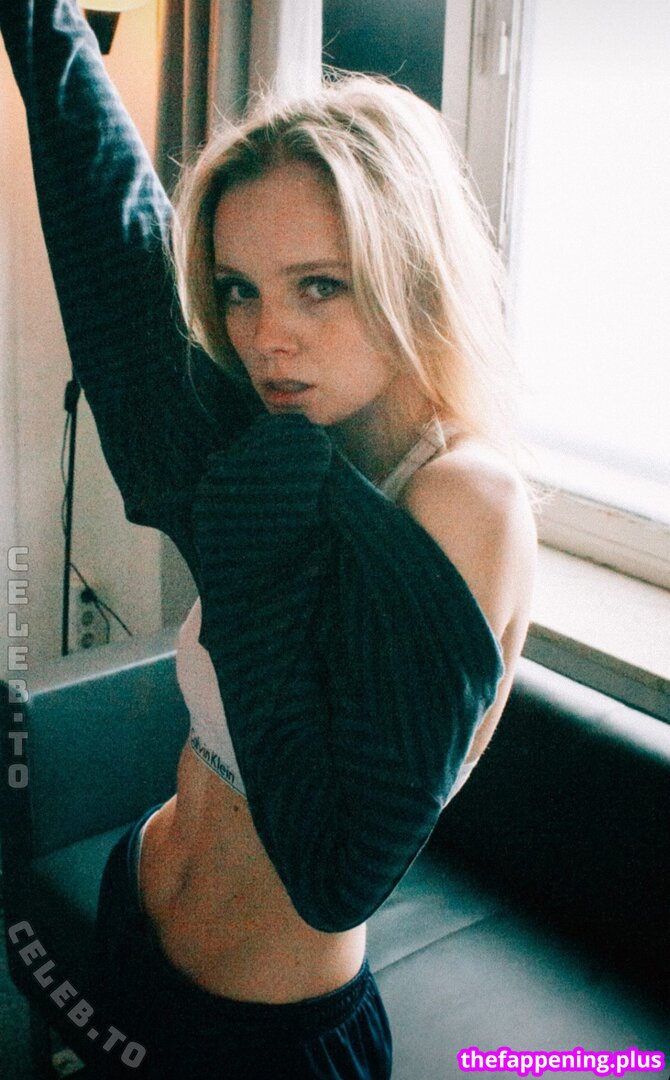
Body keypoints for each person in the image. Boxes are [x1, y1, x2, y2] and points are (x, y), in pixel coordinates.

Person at [1, 2, 536, 1077]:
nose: (264, 337)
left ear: (412, 273)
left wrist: (261, 501)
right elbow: (122, 257)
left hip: (260, 1034)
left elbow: (340, 867)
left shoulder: (461, 498)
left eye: (319, 287)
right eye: (239, 290)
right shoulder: (295, 433)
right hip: (135, 902)